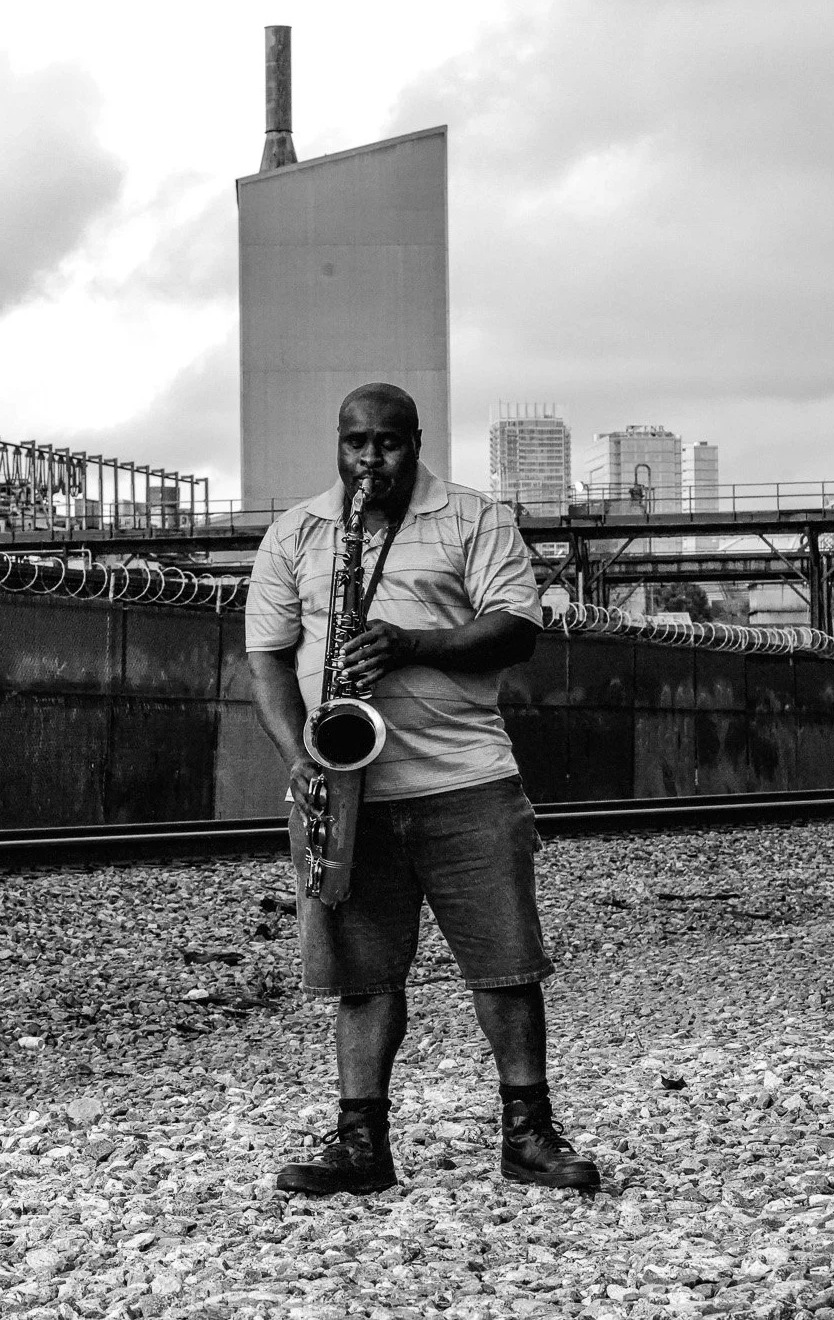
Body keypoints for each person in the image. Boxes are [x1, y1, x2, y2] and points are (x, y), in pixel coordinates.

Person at [244, 382, 599, 1196]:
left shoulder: (475, 517)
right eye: (356, 441)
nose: (371, 458)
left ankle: (529, 1135)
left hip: (467, 777)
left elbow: (517, 627)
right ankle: (360, 1144)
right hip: (347, 789)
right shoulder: (297, 532)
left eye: (389, 441)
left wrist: (409, 644)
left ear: (415, 442)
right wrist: (299, 757)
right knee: (362, 978)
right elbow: (266, 658)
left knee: (506, 966)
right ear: (339, 443)